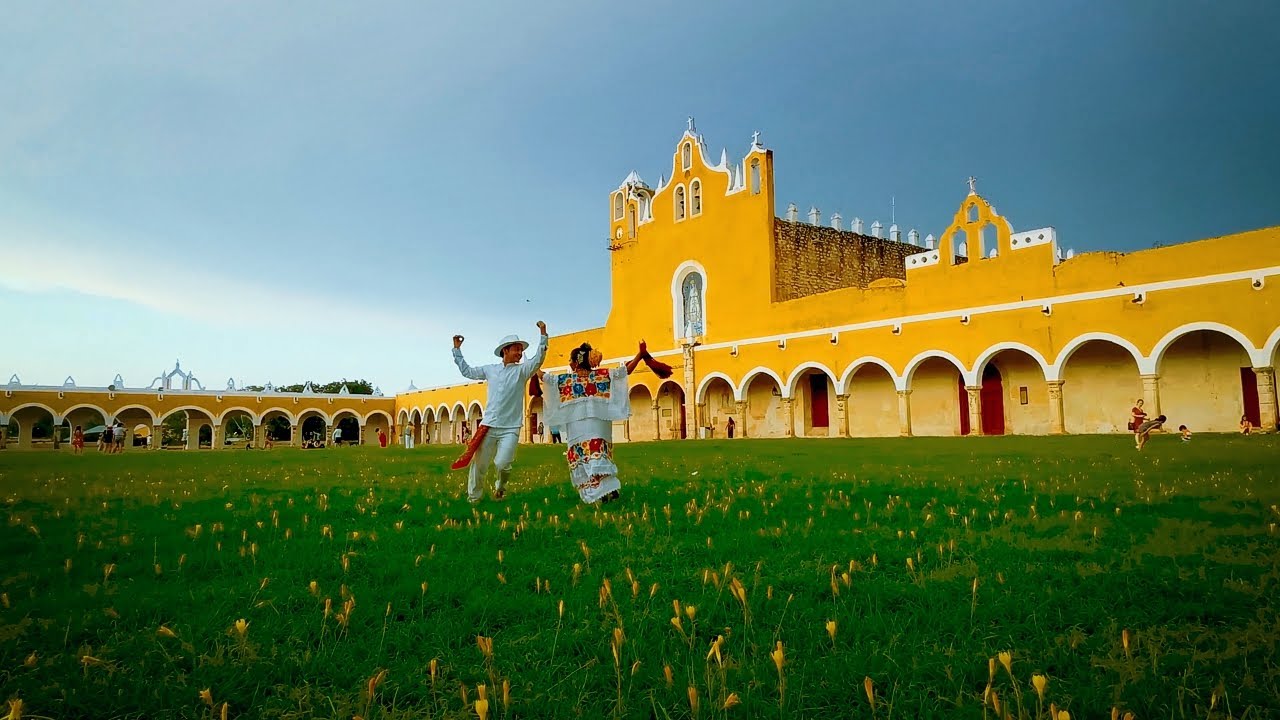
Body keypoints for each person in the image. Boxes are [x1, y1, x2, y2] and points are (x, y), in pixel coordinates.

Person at [540, 340, 672, 505]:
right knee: (598, 454)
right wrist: (640, 355)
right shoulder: (602, 375)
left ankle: (600, 491)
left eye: (571, 360)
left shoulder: (568, 380)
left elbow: (546, 378)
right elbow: (625, 371)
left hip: (578, 425)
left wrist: (530, 367)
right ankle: (609, 488)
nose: (570, 363)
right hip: (599, 424)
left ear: (576, 362)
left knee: (586, 455)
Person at [450, 322, 549, 503]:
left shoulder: (522, 371)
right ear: (505, 351)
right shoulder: (490, 370)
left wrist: (543, 335)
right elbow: (468, 371)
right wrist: (457, 350)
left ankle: (501, 487)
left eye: (520, 350)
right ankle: (474, 498)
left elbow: (538, 360)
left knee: (503, 463)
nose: (520, 353)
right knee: (479, 464)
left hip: (510, 427)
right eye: (516, 350)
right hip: (489, 425)